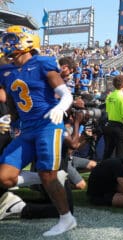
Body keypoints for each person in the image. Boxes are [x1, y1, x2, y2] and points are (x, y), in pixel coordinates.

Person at [0, 25, 76, 236]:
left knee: (47, 174)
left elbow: (65, 93)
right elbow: (12, 101)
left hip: (48, 124)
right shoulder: (6, 70)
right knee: (4, 176)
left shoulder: (42, 63)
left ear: (27, 41)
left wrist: (61, 107)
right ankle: (50, 177)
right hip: (27, 129)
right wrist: (14, 122)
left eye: (11, 39)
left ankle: (66, 218)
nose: (6, 43)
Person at [103, 75, 123, 160]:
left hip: (109, 125)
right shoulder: (122, 98)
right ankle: (118, 172)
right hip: (119, 128)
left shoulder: (109, 96)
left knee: (107, 153)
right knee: (120, 155)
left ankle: (102, 171)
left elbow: (108, 111)